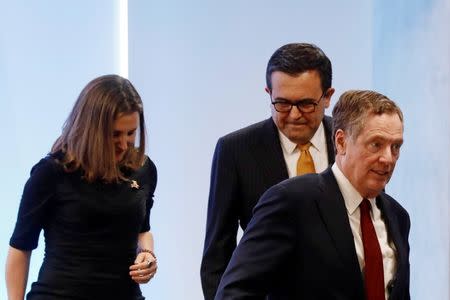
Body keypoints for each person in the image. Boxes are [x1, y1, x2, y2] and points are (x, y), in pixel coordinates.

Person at [215, 90, 410, 300]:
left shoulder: (398, 216)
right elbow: (234, 294)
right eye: (376, 144)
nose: (388, 158)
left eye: (396, 146)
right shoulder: (291, 202)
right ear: (341, 142)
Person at [201, 42, 336, 300]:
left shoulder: (349, 145)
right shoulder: (235, 150)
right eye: (282, 103)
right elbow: (217, 256)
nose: (294, 115)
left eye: (306, 104)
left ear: (327, 96)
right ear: (268, 93)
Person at [6, 75, 158, 299]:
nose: (124, 144)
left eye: (131, 133)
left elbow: (142, 230)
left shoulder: (144, 170)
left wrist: (147, 254)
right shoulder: (51, 172)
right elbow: (20, 247)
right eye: (115, 134)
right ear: (91, 129)